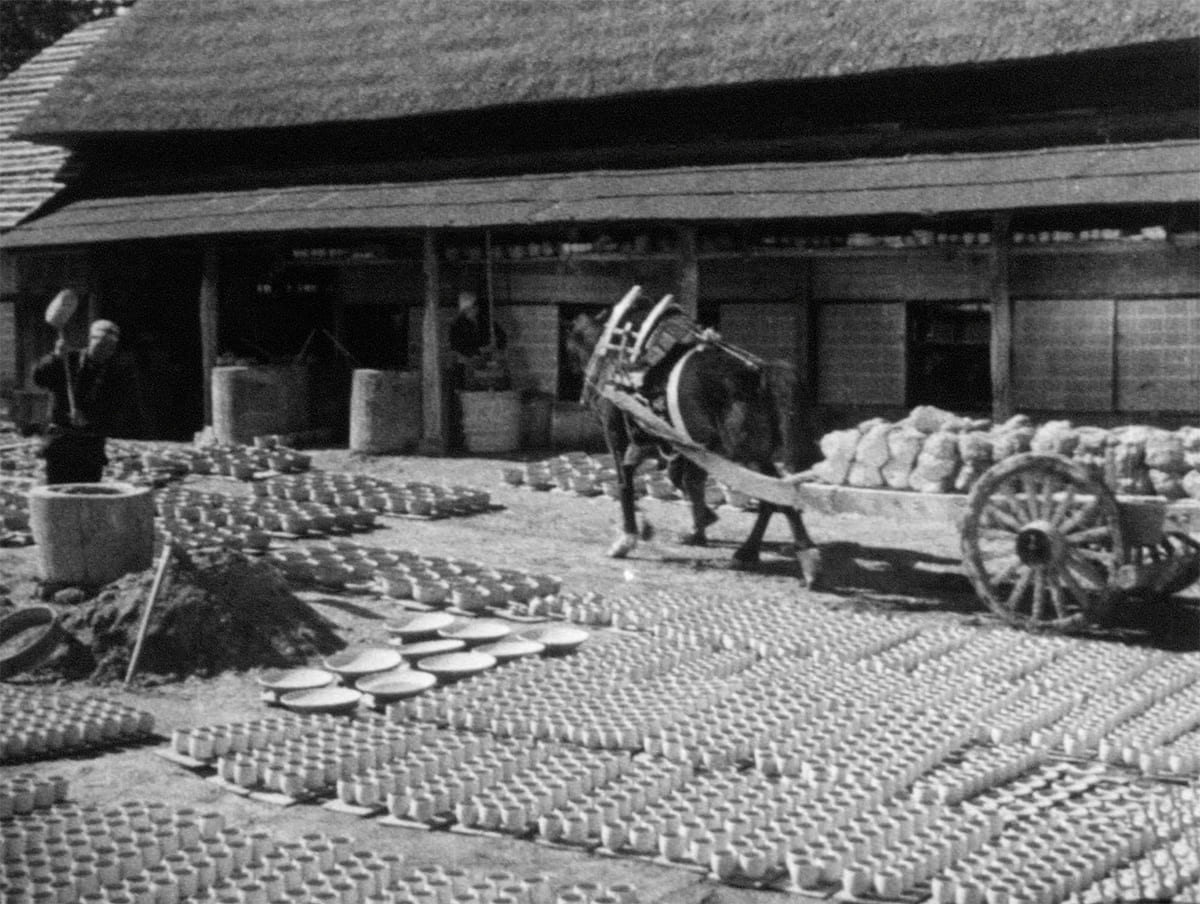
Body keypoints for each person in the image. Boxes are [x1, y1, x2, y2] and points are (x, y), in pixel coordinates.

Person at [32, 318, 149, 484]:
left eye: (110, 346)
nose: (104, 350)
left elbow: (123, 409)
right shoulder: (68, 360)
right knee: (58, 495)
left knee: (89, 495)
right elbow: (39, 378)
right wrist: (54, 357)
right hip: (61, 443)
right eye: (100, 344)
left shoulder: (118, 372)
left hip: (90, 446)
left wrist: (90, 419)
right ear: (90, 341)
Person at [448, 290, 509, 390]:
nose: (474, 309)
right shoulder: (457, 326)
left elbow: (502, 336)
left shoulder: (485, 322)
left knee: (497, 375)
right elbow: (457, 346)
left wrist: (497, 346)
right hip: (468, 363)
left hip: (486, 361)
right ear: (465, 309)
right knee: (464, 382)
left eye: (475, 307)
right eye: (471, 307)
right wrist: (479, 350)